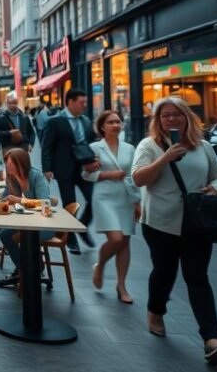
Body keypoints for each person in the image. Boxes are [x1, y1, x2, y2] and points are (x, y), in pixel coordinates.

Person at [132, 97, 217, 361]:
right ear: (158, 121)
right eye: (165, 116)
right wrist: (165, 158)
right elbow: (138, 178)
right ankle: (155, 310)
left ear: (186, 117)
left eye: (176, 115)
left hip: (197, 222)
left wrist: (215, 188)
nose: (171, 119)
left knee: (197, 278)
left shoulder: (202, 146)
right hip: (161, 222)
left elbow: (216, 174)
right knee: (164, 272)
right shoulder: (149, 145)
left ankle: (211, 337)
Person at [82, 110, 140, 304]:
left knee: (125, 241)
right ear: (102, 127)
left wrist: (137, 202)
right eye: (111, 122)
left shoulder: (130, 148)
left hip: (126, 197)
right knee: (115, 239)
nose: (116, 125)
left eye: (118, 122)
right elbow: (86, 175)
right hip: (104, 197)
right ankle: (100, 265)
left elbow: (134, 175)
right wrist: (107, 175)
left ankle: (121, 285)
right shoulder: (94, 147)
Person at [41, 88, 97, 254]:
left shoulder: (86, 121)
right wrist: (47, 168)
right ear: (71, 102)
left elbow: (90, 144)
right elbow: (47, 146)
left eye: (85, 102)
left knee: (93, 198)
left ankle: (83, 226)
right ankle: (71, 239)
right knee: (70, 203)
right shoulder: (55, 121)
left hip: (83, 168)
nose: (84, 106)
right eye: (81, 102)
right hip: (63, 168)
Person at [0, 148, 54, 288]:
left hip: (45, 224)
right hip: (25, 222)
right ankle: (27, 269)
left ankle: (28, 271)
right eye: (6, 163)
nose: (7, 167)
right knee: (3, 234)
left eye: (9, 164)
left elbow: (45, 202)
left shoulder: (36, 177)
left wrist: (20, 201)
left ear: (20, 163)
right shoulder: (12, 177)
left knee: (17, 236)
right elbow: (5, 198)